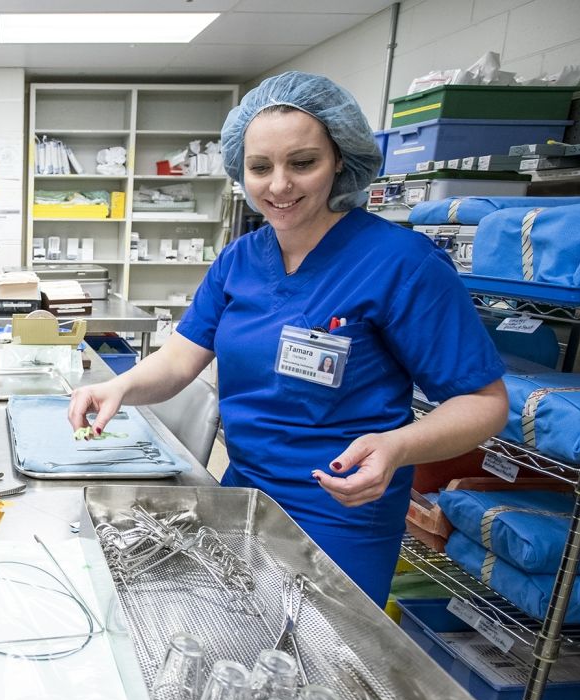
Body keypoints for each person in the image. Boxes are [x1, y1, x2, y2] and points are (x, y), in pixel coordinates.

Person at [68, 71, 508, 606]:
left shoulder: (402, 264)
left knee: (320, 669)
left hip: (341, 513)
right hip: (241, 498)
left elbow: (483, 404)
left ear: (340, 159)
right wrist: (121, 387)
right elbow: (182, 358)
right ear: (241, 169)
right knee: (238, 645)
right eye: (260, 168)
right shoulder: (240, 259)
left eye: (302, 163)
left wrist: (398, 446)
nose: (279, 186)